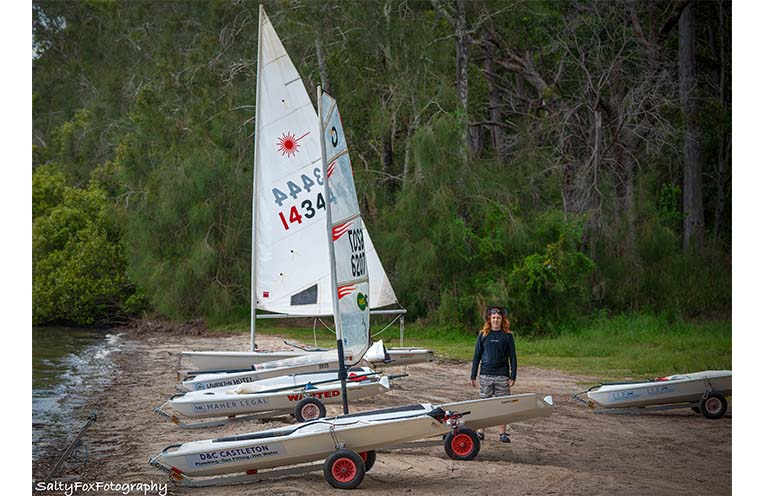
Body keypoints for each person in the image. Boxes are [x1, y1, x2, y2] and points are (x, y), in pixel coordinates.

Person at [470, 305, 517, 443]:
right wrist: (473, 375)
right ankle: (480, 432)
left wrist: (513, 376)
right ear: (489, 319)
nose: (496, 320)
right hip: (486, 375)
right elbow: (477, 355)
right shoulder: (483, 334)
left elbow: (513, 357)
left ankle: (503, 433)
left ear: (502, 319)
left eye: (498, 318)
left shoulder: (508, 336)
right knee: (484, 404)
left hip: (502, 376)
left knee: (503, 405)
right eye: (493, 317)